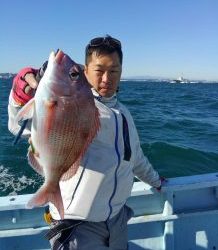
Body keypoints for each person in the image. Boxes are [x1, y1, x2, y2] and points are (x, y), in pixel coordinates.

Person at [8, 35, 165, 250]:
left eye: (114, 71)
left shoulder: (124, 113)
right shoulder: (74, 103)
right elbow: (19, 125)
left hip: (117, 221)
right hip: (77, 226)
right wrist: (19, 96)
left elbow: (135, 157)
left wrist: (156, 181)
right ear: (86, 70)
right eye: (99, 70)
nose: (106, 78)